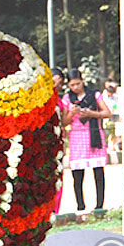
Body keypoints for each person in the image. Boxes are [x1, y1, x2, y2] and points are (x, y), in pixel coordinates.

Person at [61, 69, 111, 211]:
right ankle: (80, 206)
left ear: (82, 81)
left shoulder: (94, 95)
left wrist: (91, 113)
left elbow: (107, 113)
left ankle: (99, 205)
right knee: (77, 173)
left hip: (94, 134)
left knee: (98, 171)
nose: (75, 87)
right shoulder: (67, 99)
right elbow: (64, 122)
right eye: (72, 85)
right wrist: (72, 113)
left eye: (78, 84)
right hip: (76, 135)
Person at [51, 68, 66, 214]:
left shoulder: (59, 100)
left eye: (60, 83)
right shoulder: (44, 98)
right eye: (56, 81)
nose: (58, 85)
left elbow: (63, 121)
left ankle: (56, 208)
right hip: (48, 140)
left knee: (59, 176)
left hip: (59, 140)